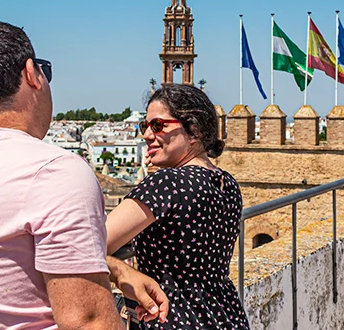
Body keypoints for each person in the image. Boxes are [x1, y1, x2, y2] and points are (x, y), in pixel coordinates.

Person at [0, 22, 168, 330]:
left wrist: (117, 270)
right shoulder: (54, 172)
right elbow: (89, 322)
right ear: (31, 73)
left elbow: (12, 260)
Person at [106, 84, 250, 329]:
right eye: (145, 126)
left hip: (171, 318)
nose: (147, 135)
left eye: (158, 125)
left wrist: (120, 270)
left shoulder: (166, 184)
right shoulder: (228, 185)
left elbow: (85, 246)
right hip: (225, 316)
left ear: (193, 130)